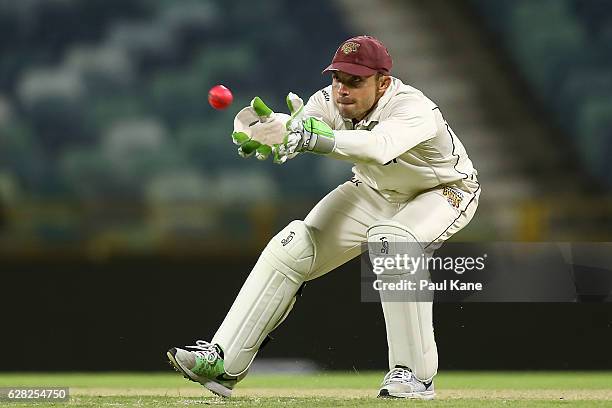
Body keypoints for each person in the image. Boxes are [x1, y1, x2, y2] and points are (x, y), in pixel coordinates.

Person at [167, 35, 480, 400]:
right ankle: (223, 362)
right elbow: (300, 124)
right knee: (294, 247)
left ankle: (414, 375)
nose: (342, 90)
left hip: (443, 192)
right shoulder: (328, 101)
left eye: (355, 81)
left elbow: (379, 147)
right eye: (337, 79)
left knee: (394, 240)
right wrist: (270, 129)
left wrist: (310, 136)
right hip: (374, 191)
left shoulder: (413, 108)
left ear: (383, 83)